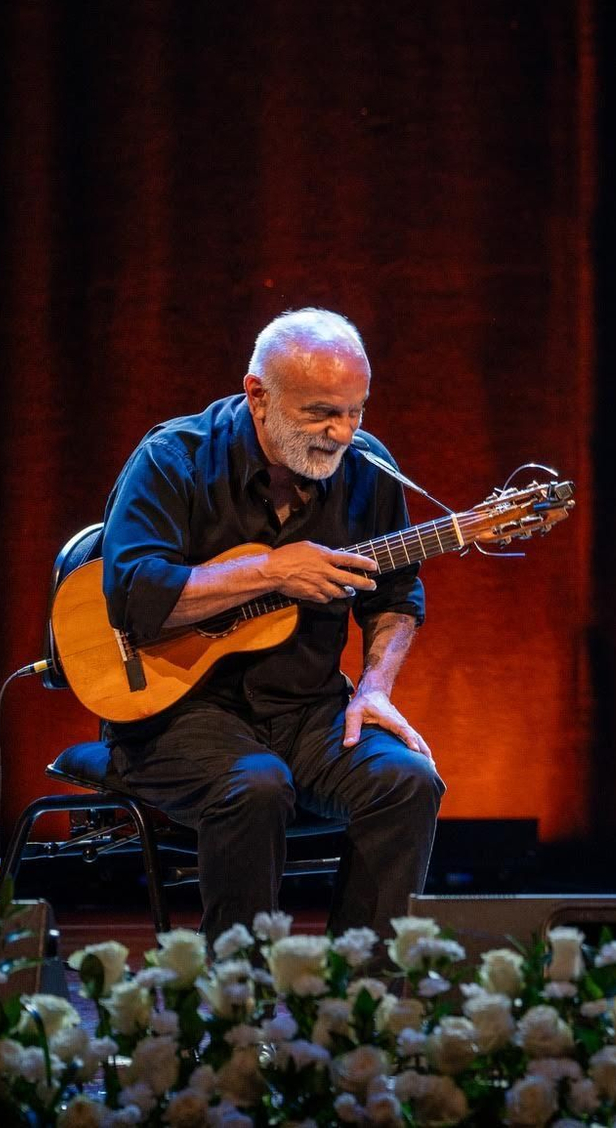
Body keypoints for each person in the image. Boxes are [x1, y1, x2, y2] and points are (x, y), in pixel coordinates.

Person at [99, 308, 444, 938]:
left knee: (408, 782)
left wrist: (375, 688)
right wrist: (271, 572)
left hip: (307, 711)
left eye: (356, 410)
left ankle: (359, 1009)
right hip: (173, 714)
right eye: (320, 413)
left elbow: (396, 593)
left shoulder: (368, 469)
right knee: (257, 787)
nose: (342, 433)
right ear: (257, 396)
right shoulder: (174, 458)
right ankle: (237, 1012)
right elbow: (132, 595)